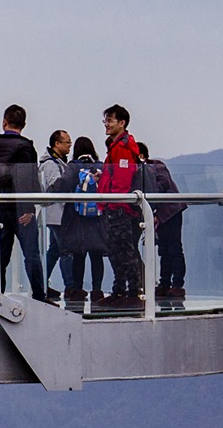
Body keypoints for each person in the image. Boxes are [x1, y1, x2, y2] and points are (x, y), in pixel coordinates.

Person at [0, 104, 47, 298]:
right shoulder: (25, 148)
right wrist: (29, 208)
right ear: (23, 124)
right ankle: (39, 295)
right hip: (20, 208)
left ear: (4, 122)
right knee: (31, 254)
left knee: (0, 255)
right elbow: (27, 178)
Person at [98, 104, 146, 311]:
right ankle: (120, 291)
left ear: (122, 123)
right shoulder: (119, 146)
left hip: (120, 208)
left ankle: (132, 293)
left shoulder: (123, 148)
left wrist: (114, 202)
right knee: (117, 250)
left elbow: (122, 180)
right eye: (105, 120)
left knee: (124, 251)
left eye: (110, 120)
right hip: (117, 206)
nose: (106, 124)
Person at [51, 136, 108, 309]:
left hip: (76, 218)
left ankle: (77, 289)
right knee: (96, 254)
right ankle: (97, 290)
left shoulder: (73, 167)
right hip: (97, 217)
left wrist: (48, 194)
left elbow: (62, 185)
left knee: (78, 253)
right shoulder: (100, 167)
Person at [142, 143, 186, 305]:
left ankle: (177, 284)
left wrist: (150, 198)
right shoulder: (148, 170)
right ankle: (165, 283)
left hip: (171, 211)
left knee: (174, 247)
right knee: (164, 249)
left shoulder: (156, 166)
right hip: (161, 213)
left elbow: (164, 183)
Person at [38, 128, 71, 296]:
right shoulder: (51, 164)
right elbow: (56, 186)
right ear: (57, 144)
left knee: (54, 250)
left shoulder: (56, 162)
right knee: (66, 249)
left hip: (54, 213)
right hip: (57, 213)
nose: (70, 145)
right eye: (67, 142)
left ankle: (42, 283)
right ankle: (70, 286)